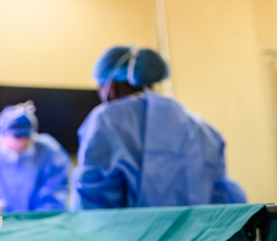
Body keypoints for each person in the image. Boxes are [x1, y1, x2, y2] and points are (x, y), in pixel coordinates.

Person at [70, 46, 246, 210]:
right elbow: (225, 200)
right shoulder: (205, 130)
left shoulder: (108, 119)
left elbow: (91, 202)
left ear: (111, 88)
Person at [0, 101, 71, 213]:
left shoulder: (50, 152)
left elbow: (53, 200)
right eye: (10, 150)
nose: (15, 156)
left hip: (39, 224)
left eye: (23, 149)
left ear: (32, 137)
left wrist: (35, 225)